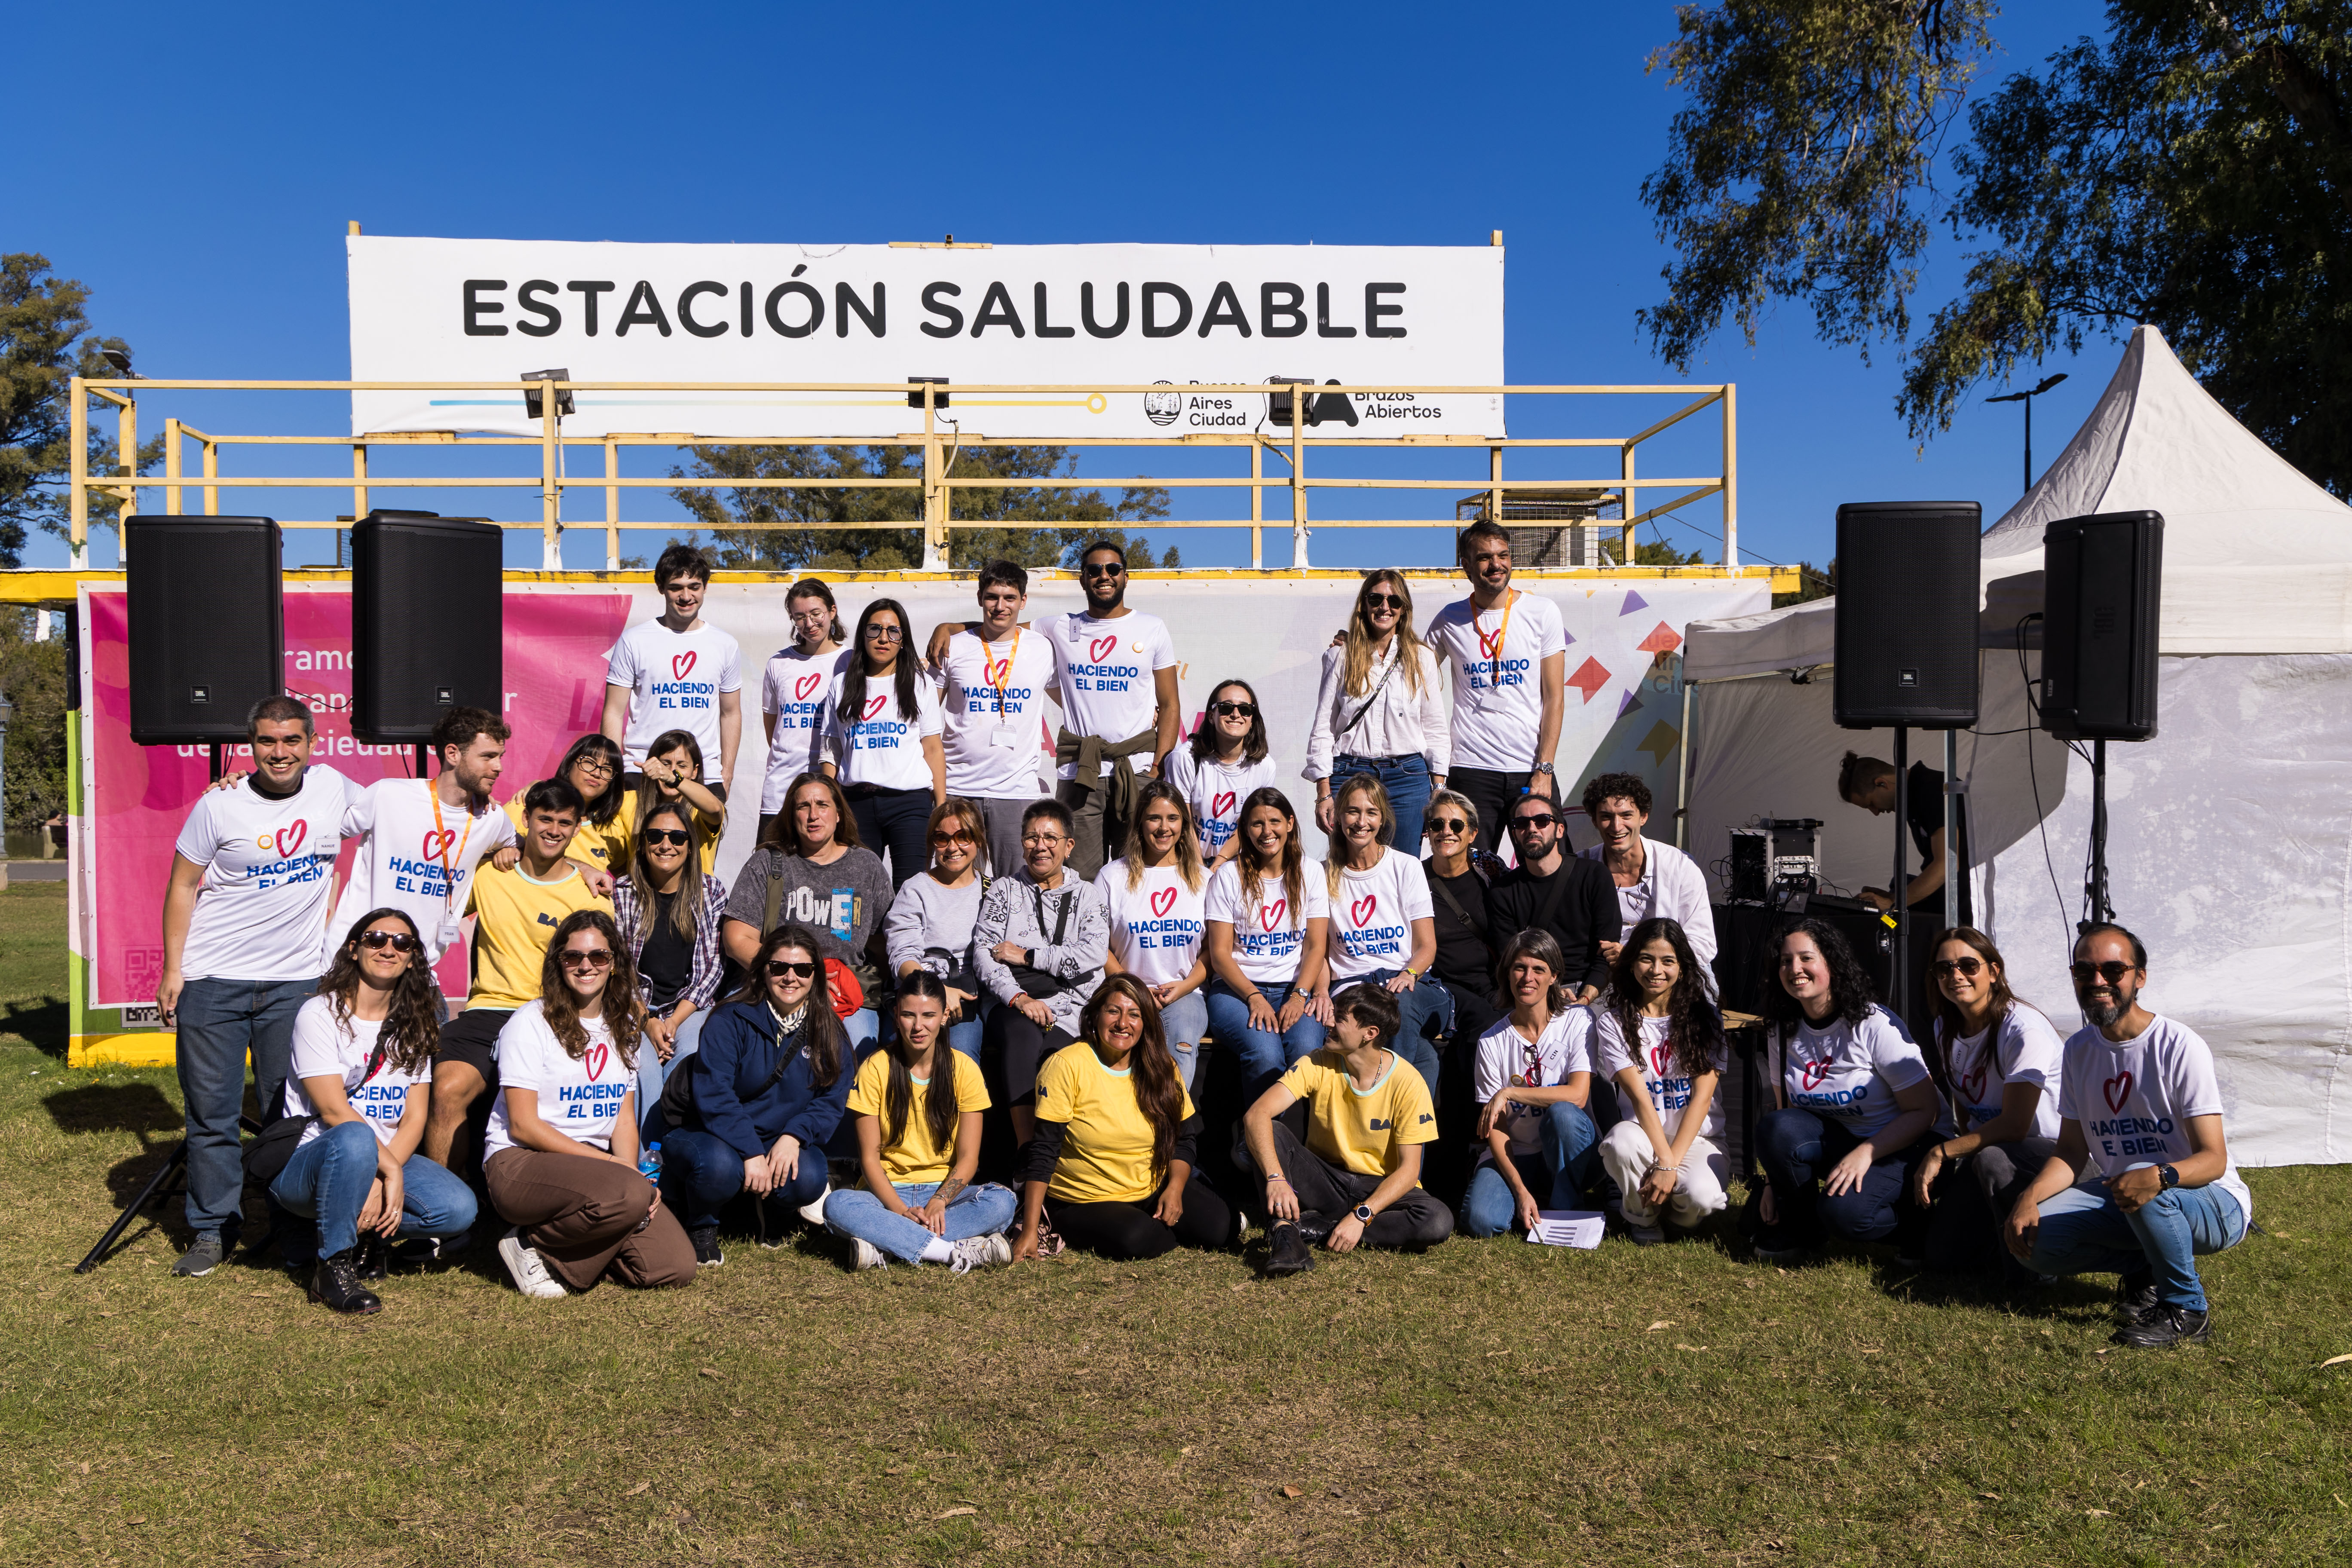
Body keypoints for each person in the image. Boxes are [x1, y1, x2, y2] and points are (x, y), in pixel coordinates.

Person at [157, 695, 354, 1277]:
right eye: (268, 741)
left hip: (294, 988)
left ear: (312, 743)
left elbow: (406, 815)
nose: (279, 751)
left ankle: (290, 1227)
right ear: (252, 746)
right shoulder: (218, 806)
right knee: (212, 1116)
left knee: (291, 1118)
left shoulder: (334, 788)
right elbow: (181, 887)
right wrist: (174, 970)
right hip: (214, 983)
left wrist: (496, 841)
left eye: (291, 740)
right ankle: (213, 1229)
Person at [2006, 925, 2252, 1348]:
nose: (2098, 981)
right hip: (2129, 1197)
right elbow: (2069, 1152)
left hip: (2212, 1201)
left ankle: (2187, 1311)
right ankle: (2148, 1262)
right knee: (2036, 1242)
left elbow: (2213, 1160)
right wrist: (2029, 1199)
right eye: (2084, 971)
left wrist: (2158, 1176)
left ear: (2140, 977)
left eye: (2113, 969)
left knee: (2143, 1179)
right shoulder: (2079, 1051)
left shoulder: (2179, 1045)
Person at [269, 909, 478, 1312]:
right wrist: (392, 1171)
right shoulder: (319, 1014)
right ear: (353, 949)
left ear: (414, 958)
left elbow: (416, 1118)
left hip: (384, 1157)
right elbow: (333, 1110)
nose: (389, 949)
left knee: (458, 1210)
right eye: (376, 939)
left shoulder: (415, 1023)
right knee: (354, 1135)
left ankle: (371, 1237)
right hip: (312, 1162)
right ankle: (333, 1269)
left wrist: (382, 1179)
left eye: (402, 943)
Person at [482, 910, 695, 1296]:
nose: (586, 966)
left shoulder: (623, 1027)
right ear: (558, 963)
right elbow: (523, 1125)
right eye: (573, 957)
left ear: (614, 964)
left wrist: (633, 1174)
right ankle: (532, 1245)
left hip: (597, 1171)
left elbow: (624, 1120)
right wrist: (618, 1172)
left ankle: (580, 1248)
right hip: (521, 1160)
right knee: (626, 1194)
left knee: (673, 1266)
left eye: (598, 957)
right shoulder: (530, 1022)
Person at [424, 779, 610, 1182]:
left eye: (565, 822)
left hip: (555, 1018)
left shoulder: (590, 894)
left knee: (557, 1105)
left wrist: (583, 866)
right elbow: (436, 882)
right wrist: (495, 850)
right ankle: (439, 1216)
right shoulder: (490, 875)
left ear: (578, 828)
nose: (554, 830)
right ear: (525, 819)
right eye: (545, 819)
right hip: (490, 1010)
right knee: (446, 1088)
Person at [657, 925, 855, 1267]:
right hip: (706, 1131)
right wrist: (750, 1152)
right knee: (719, 1167)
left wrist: (795, 1135)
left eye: (803, 969)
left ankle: (776, 1211)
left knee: (810, 1176)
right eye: (779, 967)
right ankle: (701, 1223)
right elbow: (715, 1095)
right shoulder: (730, 1018)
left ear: (816, 975)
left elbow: (831, 1098)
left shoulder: (828, 1028)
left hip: (776, 1136)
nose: (790, 978)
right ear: (763, 970)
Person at [1749, 919, 1940, 1262]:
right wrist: (1771, 1184)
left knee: (1845, 1216)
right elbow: (1785, 1117)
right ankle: (1801, 1230)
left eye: (1807, 958)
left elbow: (1926, 1111)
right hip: (1842, 1142)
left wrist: (1867, 1152)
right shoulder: (1781, 1027)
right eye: (1785, 961)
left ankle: (1919, 1228)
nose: (1795, 969)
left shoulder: (1873, 1023)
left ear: (1832, 964)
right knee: (1776, 1128)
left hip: (1903, 1145)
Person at [1012, 974, 1234, 1262]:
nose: (1123, 1023)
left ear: (1146, 1023)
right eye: (1113, 1011)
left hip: (1148, 1189)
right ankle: (1153, 1228)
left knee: (1222, 1228)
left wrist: (1175, 1190)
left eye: (1134, 1014)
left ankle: (1164, 1222)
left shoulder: (1161, 1067)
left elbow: (1185, 1139)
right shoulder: (1067, 1064)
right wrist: (1030, 1229)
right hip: (1085, 1198)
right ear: (1095, 1016)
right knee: (1135, 1238)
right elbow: (1043, 1150)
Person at [1243, 983, 1453, 1274]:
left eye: (1340, 1019)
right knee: (1270, 1132)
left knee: (1437, 1219)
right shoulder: (1318, 1062)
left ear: (1370, 1034)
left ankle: (1323, 1228)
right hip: (1325, 1178)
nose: (1328, 1022)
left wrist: (1362, 1216)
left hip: (1378, 1186)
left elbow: (1408, 1172)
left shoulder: (1408, 1081)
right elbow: (1257, 1115)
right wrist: (1276, 1178)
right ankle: (1286, 1233)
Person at [823, 972, 1017, 1271]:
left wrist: (940, 1201)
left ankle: (885, 1244)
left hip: (944, 1193)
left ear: (944, 1016)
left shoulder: (964, 1070)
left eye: (928, 1015)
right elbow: (870, 1161)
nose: (918, 1026)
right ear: (896, 1015)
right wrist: (900, 1211)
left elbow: (968, 1159)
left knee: (1003, 1202)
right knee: (837, 1206)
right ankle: (951, 1251)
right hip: (887, 1193)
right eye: (908, 1015)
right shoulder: (875, 1068)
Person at [1908, 927, 2064, 1279]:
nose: (1956, 976)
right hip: (1996, 1154)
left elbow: (2015, 1125)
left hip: (2056, 1157)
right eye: (1944, 969)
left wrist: (1944, 1153)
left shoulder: (2023, 1030)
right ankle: (2009, 1239)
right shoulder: (1944, 1026)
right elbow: (1964, 1099)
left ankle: (2035, 1272)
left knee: (1991, 1158)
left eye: (1968, 965)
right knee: (1943, 1258)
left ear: (1994, 972)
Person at [332, 706, 517, 998]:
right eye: (487, 757)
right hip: (354, 969)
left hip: (418, 976)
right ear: (453, 754)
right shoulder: (389, 795)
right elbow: (321, 828)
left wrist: (516, 852)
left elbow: (529, 848)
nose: (499, 768)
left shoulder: (492, 818)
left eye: (499, 757)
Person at [1422, 520, 1567, 856]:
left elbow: (1555, 699)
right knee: (1467, 868)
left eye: (1503, 555)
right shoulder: (1450, 618)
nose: (1496, 564)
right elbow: (1411, 670)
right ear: (1467, 566)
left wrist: (1544, 769)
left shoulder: (1541, 611)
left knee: (1551, 865)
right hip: (1471, 769)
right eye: (1485, 557)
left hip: (1529, 768)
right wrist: (1358, 644)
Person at [720, 772, 892, 1054]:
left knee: (853, 1058)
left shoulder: (866, 865)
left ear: (838, 814)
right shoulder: (768, 863)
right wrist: (797, 978)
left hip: (844, 994)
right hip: (777, 985)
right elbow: (736, 939)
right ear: (792, 815)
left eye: (823, 805)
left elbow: (884, 943)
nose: (814, 815)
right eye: (804, 806)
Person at [974, 799, 1109, 1152]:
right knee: (1022, 1036)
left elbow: (1093, 954)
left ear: (1069, 846)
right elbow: (984, 953)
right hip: (1014, 1001)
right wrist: (1019, 998)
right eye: (1032, 837)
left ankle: (1059, 1156)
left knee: (1057, 1059)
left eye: (1051, 837)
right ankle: (1027, 1153)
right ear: (1021, 843)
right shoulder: (1004, 890)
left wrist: (1028, 956)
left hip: (1073, 1006)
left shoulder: (1087, 895)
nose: (1041, 846)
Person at [1044, 540, 1182, 882]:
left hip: (1135, 771)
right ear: (1082, 580)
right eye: (1094, 570)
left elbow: (1169, 705)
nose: (1103, 576)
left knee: (1136, 873)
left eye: (1112, 569)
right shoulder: (1060, 626)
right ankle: (1082, 939)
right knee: (1078, 878)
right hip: (1080, 772)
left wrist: (1156, 768)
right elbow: (1004, 627)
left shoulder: (1151, 627)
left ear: (1126, 576)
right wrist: (952, 628)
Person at [1594, 918, 1730, 1244]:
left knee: (1704, 1199)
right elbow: (1639, 1097)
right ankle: (1643, 1218)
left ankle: (1676, 1217)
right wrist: (1664, 1161)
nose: (1657, 970)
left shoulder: (1706, 1018)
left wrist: (1670, 1165)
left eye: (1668, 961)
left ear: (1682, 968)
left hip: (1698, 1139)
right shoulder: (1613, 1021)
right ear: (1631, 964)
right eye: (1646, 959)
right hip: (1643, 1133)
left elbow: (1702, 1098)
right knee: (1619, 1143)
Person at [1457, 930, 1600, 1239]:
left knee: (1562, 1114)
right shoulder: (1491, 1040)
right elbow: (1496, 1127)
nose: (1527, 978)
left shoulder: (1578, 1020)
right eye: (1519, 968)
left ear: (1554, 977)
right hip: (1517, 1153)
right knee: (1481, 1222)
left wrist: (1508, 1092)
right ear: (1507, 974)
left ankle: (1564, 1211)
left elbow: (1577, 1096)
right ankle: (1530, 1197)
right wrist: (1519, 1189)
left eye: (1539, 969)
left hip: (1569, 1148)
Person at [1320, 774, 1449, 1099]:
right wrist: (1320, 993)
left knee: (1401, 1006)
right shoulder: (1321, 874)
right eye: (1352, 811)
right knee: (1425, 1059)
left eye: (1371, 813)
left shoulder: (1405, 866)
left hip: (1409, 983)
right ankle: (1406, 1141)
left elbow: (1426, 947)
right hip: (1353, 988)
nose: (1361, 822)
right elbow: (1320, 953)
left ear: (1382, 819)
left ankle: (1382, 1108)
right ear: (1338, 816)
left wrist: (1408, 974)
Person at [1306, 570, 1449, 859]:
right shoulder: (1339, 656)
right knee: (1348, 869)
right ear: (1364, 604)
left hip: (1408, 778)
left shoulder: (1422, 658)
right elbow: (1323, 727)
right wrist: (1323, 793)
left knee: (1404, 868)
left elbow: (1435, 729)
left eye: (1394, 600)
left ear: (1404, 609)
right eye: (1376, 599)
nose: (1385, 607)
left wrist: (1438, 791)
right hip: (1349, 773)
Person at [612, 801, 730, 1138]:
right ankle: (643, 1166)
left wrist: (674, 1022)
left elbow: (713, 968)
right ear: (644, 844)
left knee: (689, 1059)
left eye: (677, 837)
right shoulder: (623, 893)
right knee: (643, 1070)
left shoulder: (711, 892)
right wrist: (647, 1021)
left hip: (689, 1009)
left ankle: (676, 1157)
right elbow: (620, 972)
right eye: (656, 836)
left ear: (690, 846)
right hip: (634, 1009)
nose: (667, 845)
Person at [933, 559, 1059, 874]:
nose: (1000, 606)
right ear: (980, 599)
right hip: (959, 788)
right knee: (958, 887)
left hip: (1016, 792)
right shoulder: (954, 647)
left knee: (1017, 887)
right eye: (992, 597)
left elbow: (1076, 700)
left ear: (1023, 601)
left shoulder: (1043, 648)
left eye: (1010, 598)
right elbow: (923, 714)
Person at [1202, 787, 1330, 1096]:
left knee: (1306, 1055)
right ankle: (1259, 1144)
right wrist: (1253, 997)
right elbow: (1220, 954)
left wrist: (1301, 995)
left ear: (1289, 823)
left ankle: (1298, 1144)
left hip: (1294, 987)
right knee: (1266, 1056)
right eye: (1257, 824)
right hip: (1237, 992)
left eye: (1274, 821)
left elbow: (1316, 946)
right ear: (1245, 830)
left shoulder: (1310, 872)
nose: (1266, 831)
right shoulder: (1229, 876)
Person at [1094, 779, 1211, 1093]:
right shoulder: (1112, 876)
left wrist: (1185, 986)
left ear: (1184, 825)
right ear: (1140, 823)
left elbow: (1214, 951)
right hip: (1126, 991)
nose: (1164, 828)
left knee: (1182, 1044)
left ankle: (1168, 1130)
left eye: (1173, 818)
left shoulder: (1204, 879)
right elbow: (1096, 944)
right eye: (1154, 818)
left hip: (1184, 993)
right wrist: (1133, 989)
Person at [821, 597, 946, 888]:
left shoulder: (920, 683)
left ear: (903, 639)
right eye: (874, 629)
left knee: (911, 890)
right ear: (863, 635)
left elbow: (932, 747)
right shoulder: (841, 684)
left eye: (893, 631)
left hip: (911, 804)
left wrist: (941, 807)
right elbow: (831, 751)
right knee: (855, 893)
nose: (883, 638)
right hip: (856, 804)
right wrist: (830, 802)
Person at [602, 542, 743, 798]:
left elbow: (730, 713)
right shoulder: (634, 640)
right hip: (641, 770)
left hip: (704, 776)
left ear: (705, 587)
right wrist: (615, 770)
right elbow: (613, 711)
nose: (686, 596)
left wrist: (726, 773)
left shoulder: (726, 644)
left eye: (694, 587)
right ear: (661, 589)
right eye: (676, 588)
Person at [884, 797, 993, 1060]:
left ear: (978, 840)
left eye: (963, 836)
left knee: (962, 1059)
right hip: (920, 991)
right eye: (942, 838)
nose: (952, 847)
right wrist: (938, 991)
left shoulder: (992, 890)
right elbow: (902, 954)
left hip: (968, 999)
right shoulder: (916, 889)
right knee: (903, 1059)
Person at [1488, 792, 1620, 1002]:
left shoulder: (1595, 875)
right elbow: (1512, 960)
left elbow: (1607, 951)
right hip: (1534, 989)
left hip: (1592, 989)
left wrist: (1585, 998)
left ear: (1560, 830)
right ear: (1515, 835)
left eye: (1541, 821)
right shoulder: (1502, 892)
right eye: (1522, 823)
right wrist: (1549, 995)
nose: (1531, 829)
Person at [1577, 772, 1716, 970]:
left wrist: (1636, 958)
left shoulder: (1679, 865)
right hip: (1604, 976)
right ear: (1595, 821)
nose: (1617, 827)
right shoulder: (1581, 867)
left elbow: (1703, 945)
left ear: (1643, 817)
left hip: (1674, 976)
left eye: (1626, 815)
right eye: (1607, 817)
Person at [757, 578, 846, 843]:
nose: (809, 624)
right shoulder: (779, 663)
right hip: (781, 788)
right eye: (799, 617)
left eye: (816, 614)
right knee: (772, 876)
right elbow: (773, 728)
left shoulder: (852, 661)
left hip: (833, 789)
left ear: (832, 610)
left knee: (828, 876)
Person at [1420, 789, 1504, 1047]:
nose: (1446, 832)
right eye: (1437, 824)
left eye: (1457, 825)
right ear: (1429, 832)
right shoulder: (1415, 878)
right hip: (1444, 986)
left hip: (1494, 984)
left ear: (1473, 834)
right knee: (1486, 1025)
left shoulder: (1490, 871)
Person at [1165, 679, 1278, 869]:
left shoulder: (1265, 766)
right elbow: (1182, 822)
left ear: (1252, 720)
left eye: (1245, 709)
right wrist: (1200, 869)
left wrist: (1219, 863)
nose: (1236, 714)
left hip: (1235, 863)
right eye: (1226, 708)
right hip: (1186, 860)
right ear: (1211, 716)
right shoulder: (1184, 759)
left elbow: (1249, 825)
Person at [1838, 750, 1965, 917]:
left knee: (1892, 925)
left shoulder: (1932, 790)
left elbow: (1947, 863)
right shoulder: (1917, 797)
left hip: (1963, 909)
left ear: (1882, 783)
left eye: (1871, 804)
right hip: (1947, 902)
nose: (1876, 812)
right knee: (1882, 919)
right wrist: (1891, 897)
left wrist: (1894, 903)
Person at [504, 733, 632, 876]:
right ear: (570, 763)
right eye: (589, 763)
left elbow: (624, 875)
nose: (597, 773)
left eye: (607, 770)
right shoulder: (525, 805)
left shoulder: (613, 826)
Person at [623, 729, 727, 874]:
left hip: (695, 895)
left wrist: (674, 779)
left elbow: (715, 809)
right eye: (665, 764)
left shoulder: (701, 809)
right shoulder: (629, 803)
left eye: (682, 766)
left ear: (695, 772)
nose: (672, 771)